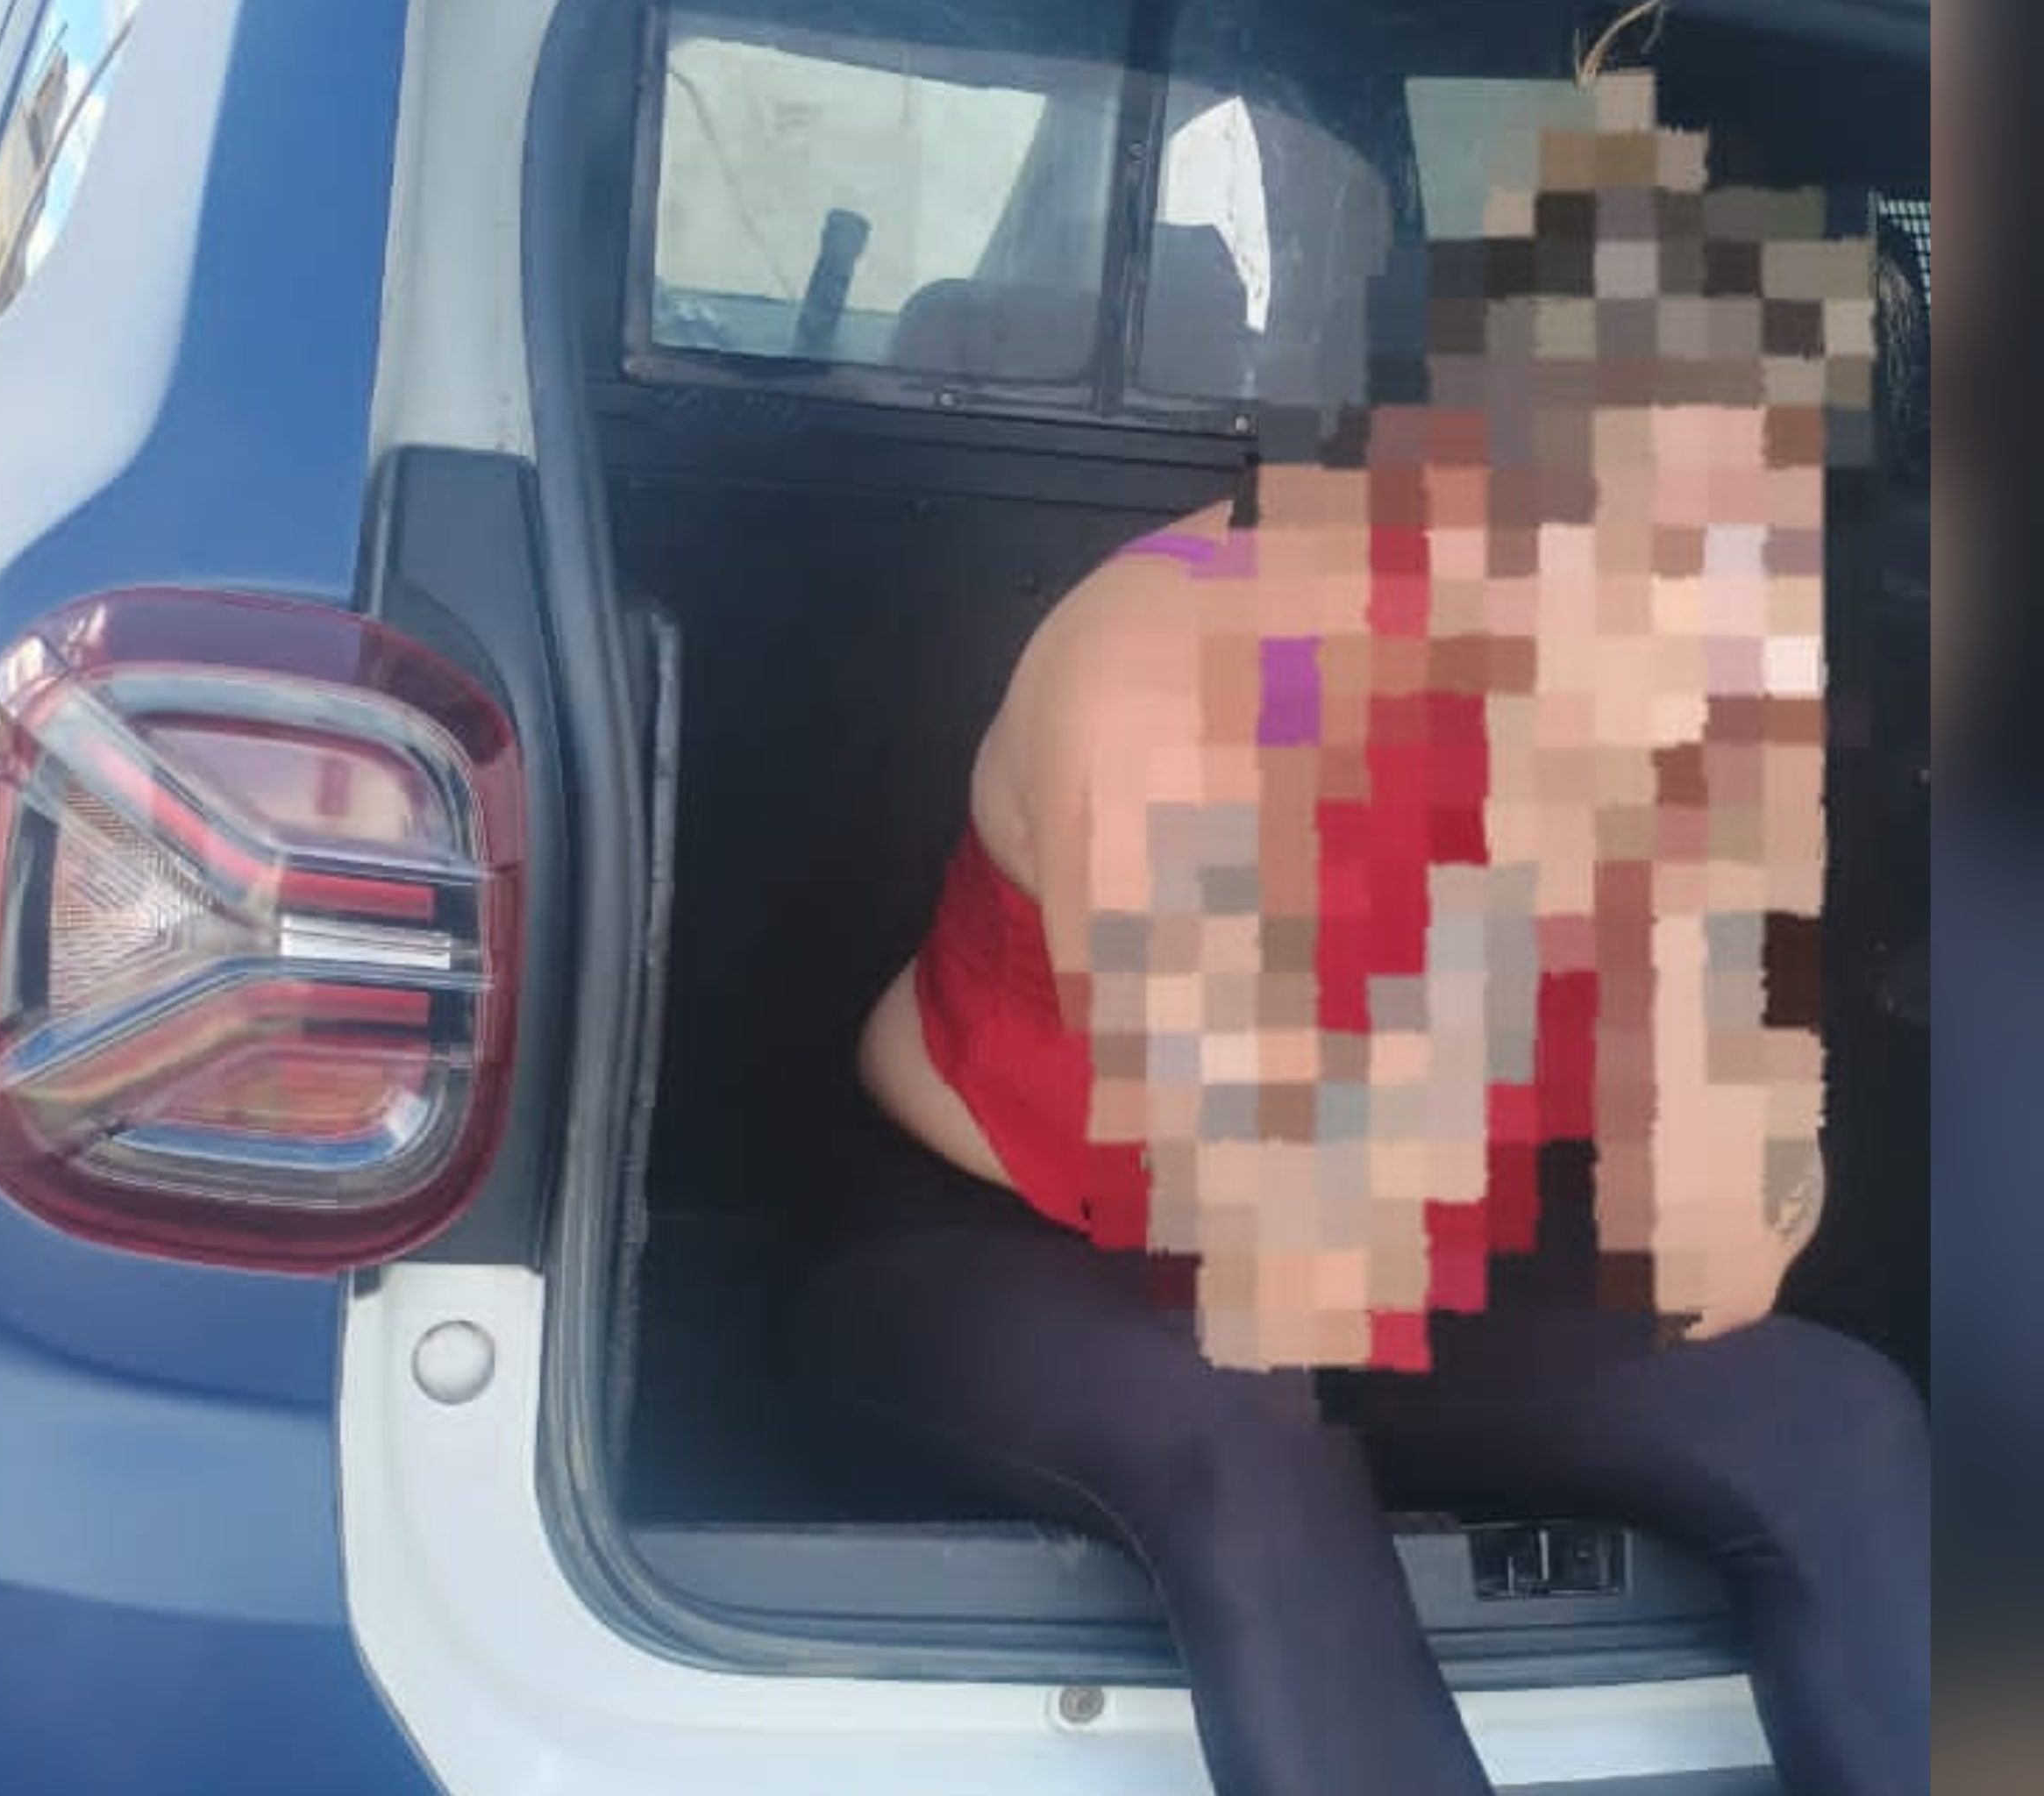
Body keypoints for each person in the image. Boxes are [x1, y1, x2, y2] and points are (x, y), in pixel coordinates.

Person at [786, 73, 1927, 1796]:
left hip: (1404, 1234)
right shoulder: (1177, 665)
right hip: (1020, 1229)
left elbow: (1733, 1230)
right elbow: (1262, 1201)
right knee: (1243, 1425)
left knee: (1829, 1414)